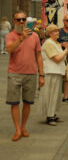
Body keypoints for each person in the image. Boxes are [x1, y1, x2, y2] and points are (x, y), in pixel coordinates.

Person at [6, 10, 45, 141]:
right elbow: (9, 49)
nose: (22, 22)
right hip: (14, 74)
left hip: (31, 73)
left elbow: (39, 55)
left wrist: (42, 74)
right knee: (14, 103)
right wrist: (21, 38)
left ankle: (23, 127)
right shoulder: (10, 35)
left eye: (24, 19)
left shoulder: (34, 36)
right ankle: (17, 130)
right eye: (19, 19)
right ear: (14, 22)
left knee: (27, 103)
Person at [38, 25, 68, 126]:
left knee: (56, 95)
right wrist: (67, 49)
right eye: (54, 31)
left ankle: (52, 113)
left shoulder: (56, 43)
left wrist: (67, 48)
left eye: (57, 31)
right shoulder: (49, 43)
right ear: (49, 33)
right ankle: (49, 116)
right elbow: (57, 58)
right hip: (50, 72)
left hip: (56, 72)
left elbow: (61, 57)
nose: (57, 33)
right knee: (50, 94)